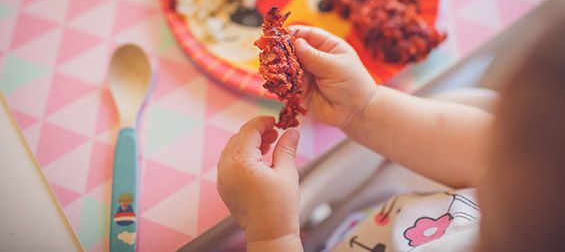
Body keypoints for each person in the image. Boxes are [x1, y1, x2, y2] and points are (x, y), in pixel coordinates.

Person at [217, 18, 565, 252]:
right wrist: (363, 107)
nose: (492, 155)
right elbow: (477, 152)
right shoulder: (533, 187)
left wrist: (269, 233)